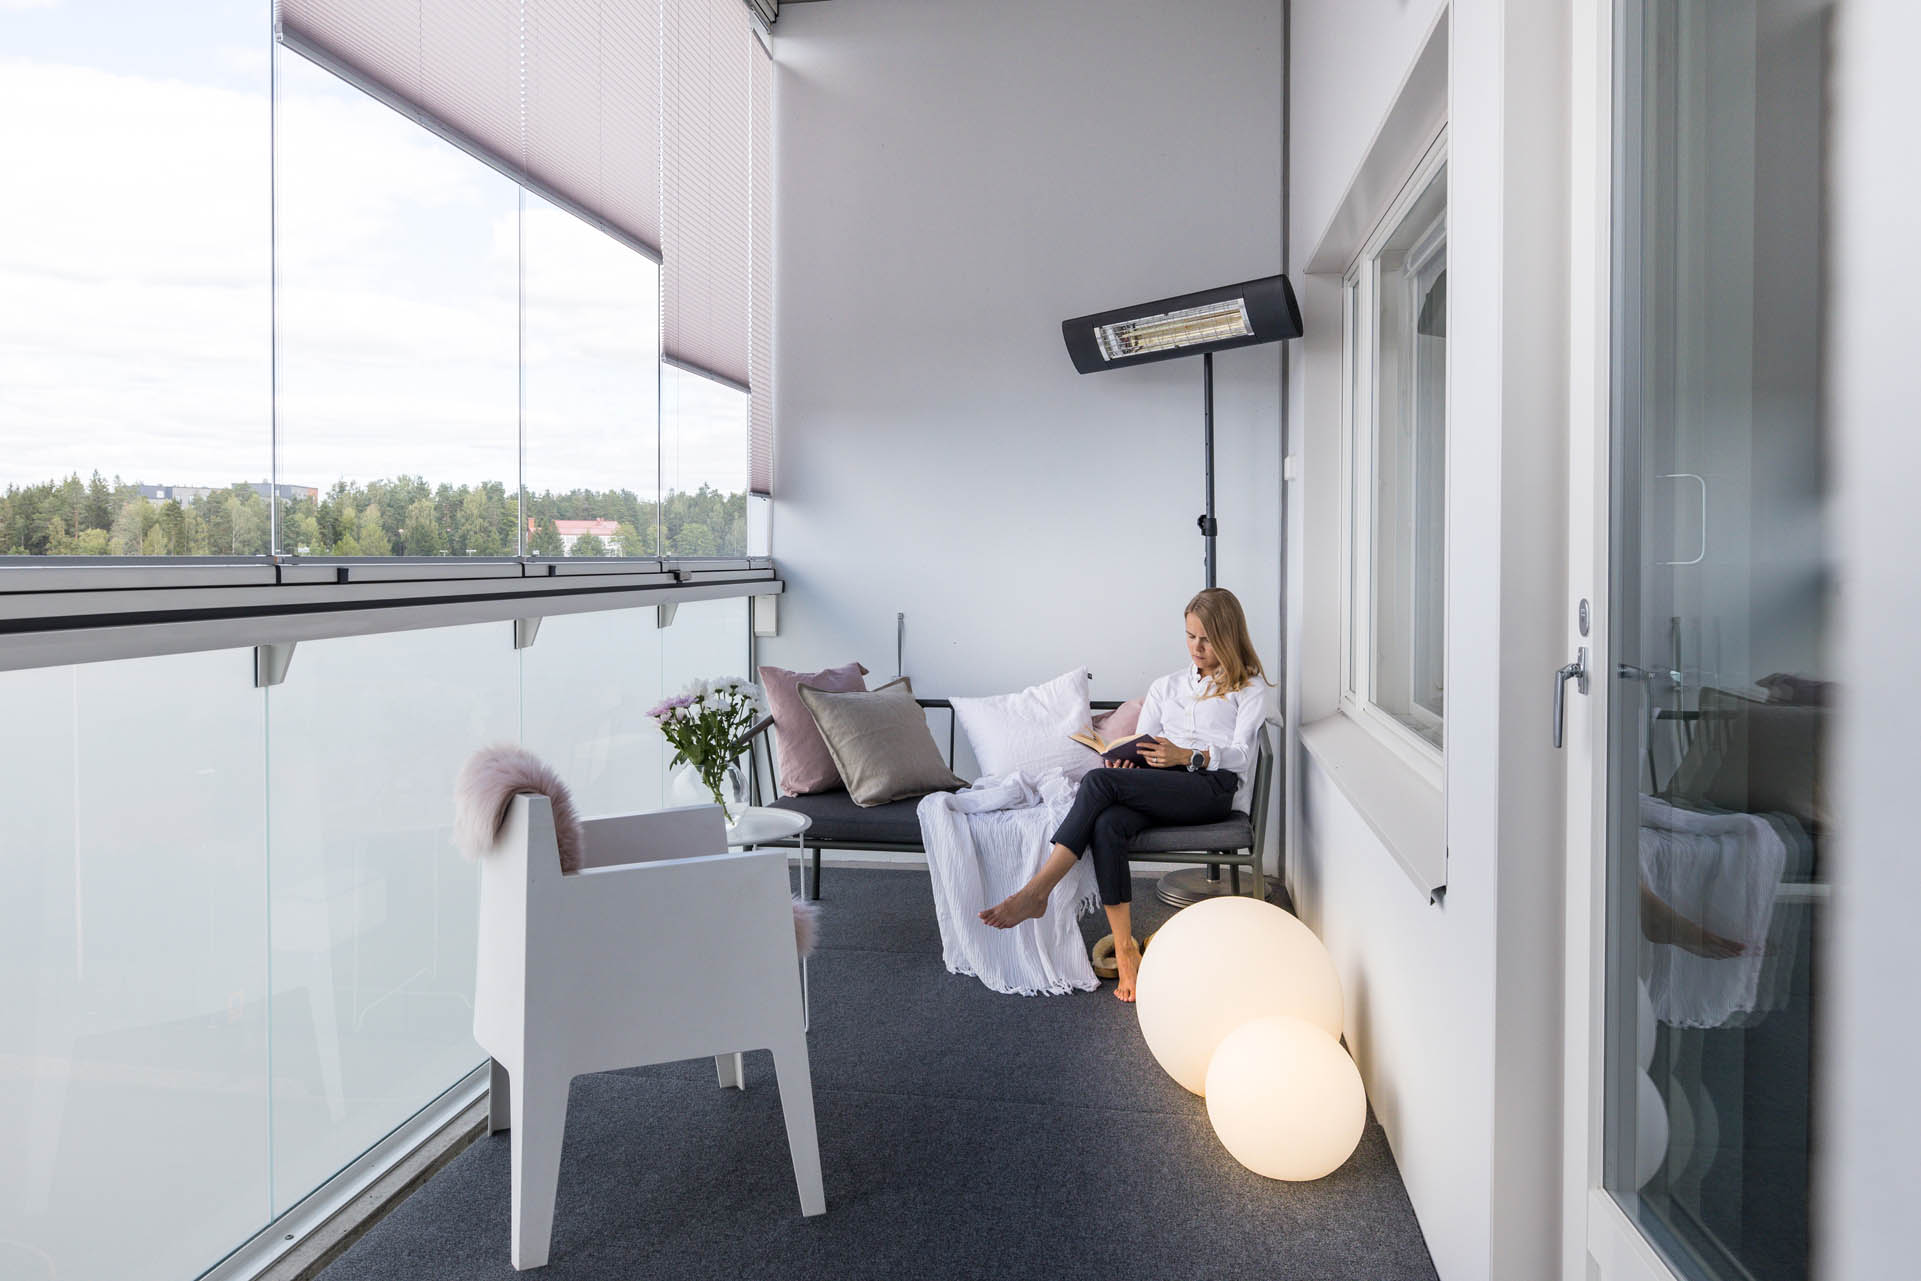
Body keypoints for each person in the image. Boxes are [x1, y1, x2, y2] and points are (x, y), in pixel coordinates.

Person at [979, 587, 1271, 1001]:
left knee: (1098, 785)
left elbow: (1242, 757)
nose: (1196, 647)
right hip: (1162, 787)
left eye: (1206, 639)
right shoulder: (1166, 686)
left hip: (1209, 789)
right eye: (1190, 636)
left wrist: (1188, 756)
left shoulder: (1250, 688)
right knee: (1108, 821)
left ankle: (1037, 891)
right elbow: (1142, 740)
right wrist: (1128, 763)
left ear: (1229, 636)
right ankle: (1125, 949)